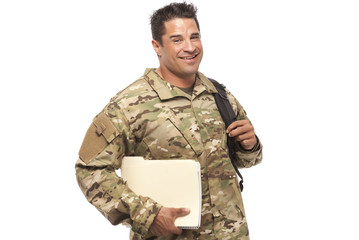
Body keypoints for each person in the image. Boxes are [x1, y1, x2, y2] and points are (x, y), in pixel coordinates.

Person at [75, 2, 262, 240]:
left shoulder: (219, 94)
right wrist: (146, 215)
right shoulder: (128, 104)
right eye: (177, 40)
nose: (190, 47)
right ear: (157, 46)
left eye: (195, 37)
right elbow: (89, 170)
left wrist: (250, 145)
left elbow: (245, 160)